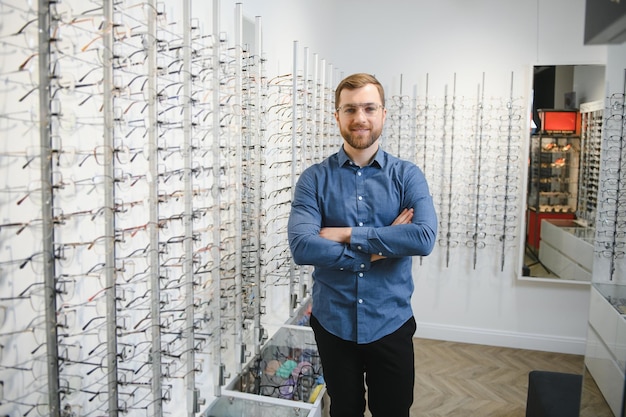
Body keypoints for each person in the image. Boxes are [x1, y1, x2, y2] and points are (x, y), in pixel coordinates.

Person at [287, 73, 438, 417]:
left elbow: (423, 237)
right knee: (344, 410)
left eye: (369, 108)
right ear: (337, 116)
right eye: (350, 109)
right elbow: (303, 247)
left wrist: (346, 234)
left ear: (383, 114)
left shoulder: (407, 176)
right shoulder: (314, 178)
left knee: (394, 411)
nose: (360, 118)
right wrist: (379, 248)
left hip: (391, 321)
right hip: (332, 323)